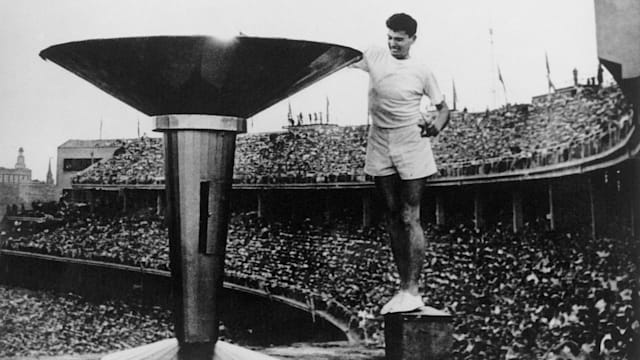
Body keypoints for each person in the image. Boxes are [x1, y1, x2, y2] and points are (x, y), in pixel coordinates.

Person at [352, 13, 450, 314]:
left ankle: (413, 289)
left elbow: (443, 109)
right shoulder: (374, 55)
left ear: (412, 40)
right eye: (390, 37)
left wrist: (436, 126)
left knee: (410, 216)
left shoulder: (421, 70)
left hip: (410, 139)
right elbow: (340, 59)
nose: (393, 43)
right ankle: (402, 287)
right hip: (379, 138)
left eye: (399, 39)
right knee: (392, 215)